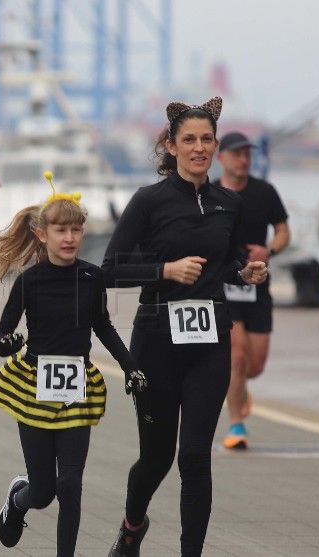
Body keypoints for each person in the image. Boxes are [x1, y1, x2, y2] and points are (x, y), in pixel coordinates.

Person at [100, 97, 268, 557]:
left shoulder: (228, 204)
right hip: (155, 343)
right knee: (156, 458)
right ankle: (132, 528)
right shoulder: (149, 200)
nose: (199, 148)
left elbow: (228, 262)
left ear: (216, 146)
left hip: (210, 343)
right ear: (171, 146)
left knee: (194, 455)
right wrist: (165, 271)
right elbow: (110, 269)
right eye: (188, 140)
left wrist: (244, 272)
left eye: (206, 139)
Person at [0, 175, 147, 557]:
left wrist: (131, 365)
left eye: (76, 229)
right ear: (42, 234)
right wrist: (9, 344)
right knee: (44, 492)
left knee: (70, 484)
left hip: (76, 387)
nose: (69, 237)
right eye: (60, 230)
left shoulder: (91, 277)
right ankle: (19, 501)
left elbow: (101, 324)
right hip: (33, 385)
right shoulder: (29, 281)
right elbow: (0, 336)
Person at [214, 132, 290, 450]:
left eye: (247, 154)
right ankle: (236, 426)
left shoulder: (264, 192)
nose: (243, 159)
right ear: (222, 158)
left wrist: (269, 251)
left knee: (254, 365)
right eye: (237, 153)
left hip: (257, 285)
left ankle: (241, 385)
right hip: (225, 284)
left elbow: (284, 231)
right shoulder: (210, 193)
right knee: (237, 356)